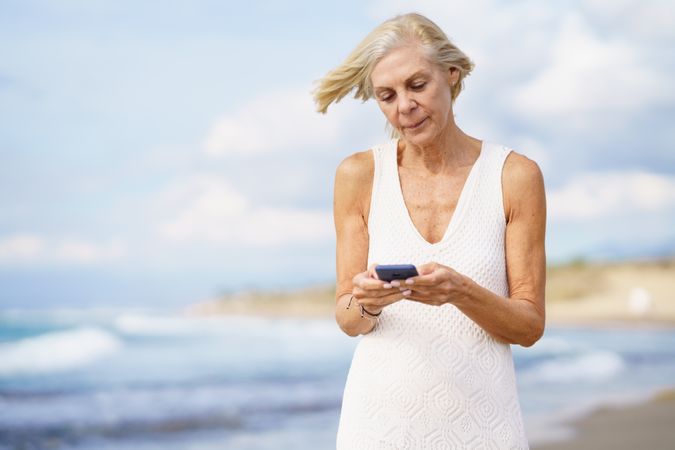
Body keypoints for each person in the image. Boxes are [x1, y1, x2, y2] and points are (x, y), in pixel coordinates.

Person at [313, 12, 545, 450]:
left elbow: (529, 326)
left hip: (484, 427)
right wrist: (367, 302)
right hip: (377, 428)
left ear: (451, 74)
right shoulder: (358, 175)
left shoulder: (514, 175)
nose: (404, 106)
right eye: (387, 95)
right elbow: (348, 318)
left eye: (417, 85)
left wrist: (461, 291)